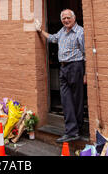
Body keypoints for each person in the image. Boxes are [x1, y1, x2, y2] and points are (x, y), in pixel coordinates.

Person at [36, 9, 86, 143]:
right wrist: (40, 30)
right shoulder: (62, 31)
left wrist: (86, 73)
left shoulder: (80, 32)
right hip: (63, 68)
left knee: (77, 100)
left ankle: (75, 130)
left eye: (68, 17)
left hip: (76, 66)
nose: (66, 20)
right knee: (66, 100)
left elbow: (85, 53)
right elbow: (53, 38)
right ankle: (72, 130)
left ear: (74, 18)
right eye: (63, 18)